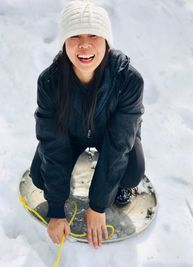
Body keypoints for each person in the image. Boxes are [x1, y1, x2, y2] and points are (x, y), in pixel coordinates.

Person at [30, 0, 145, 249]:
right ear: (64, 43)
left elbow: (119, 144)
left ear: (106, 40)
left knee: (133, 172)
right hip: (71, 136)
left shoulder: (128, 80)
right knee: (40, 177)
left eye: (93, 34)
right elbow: (52, 142)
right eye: (75, 36)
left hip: (110, 137)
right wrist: (57, 210)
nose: (84, 44)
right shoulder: (49, 83)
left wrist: (98, 204)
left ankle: (115, 188)